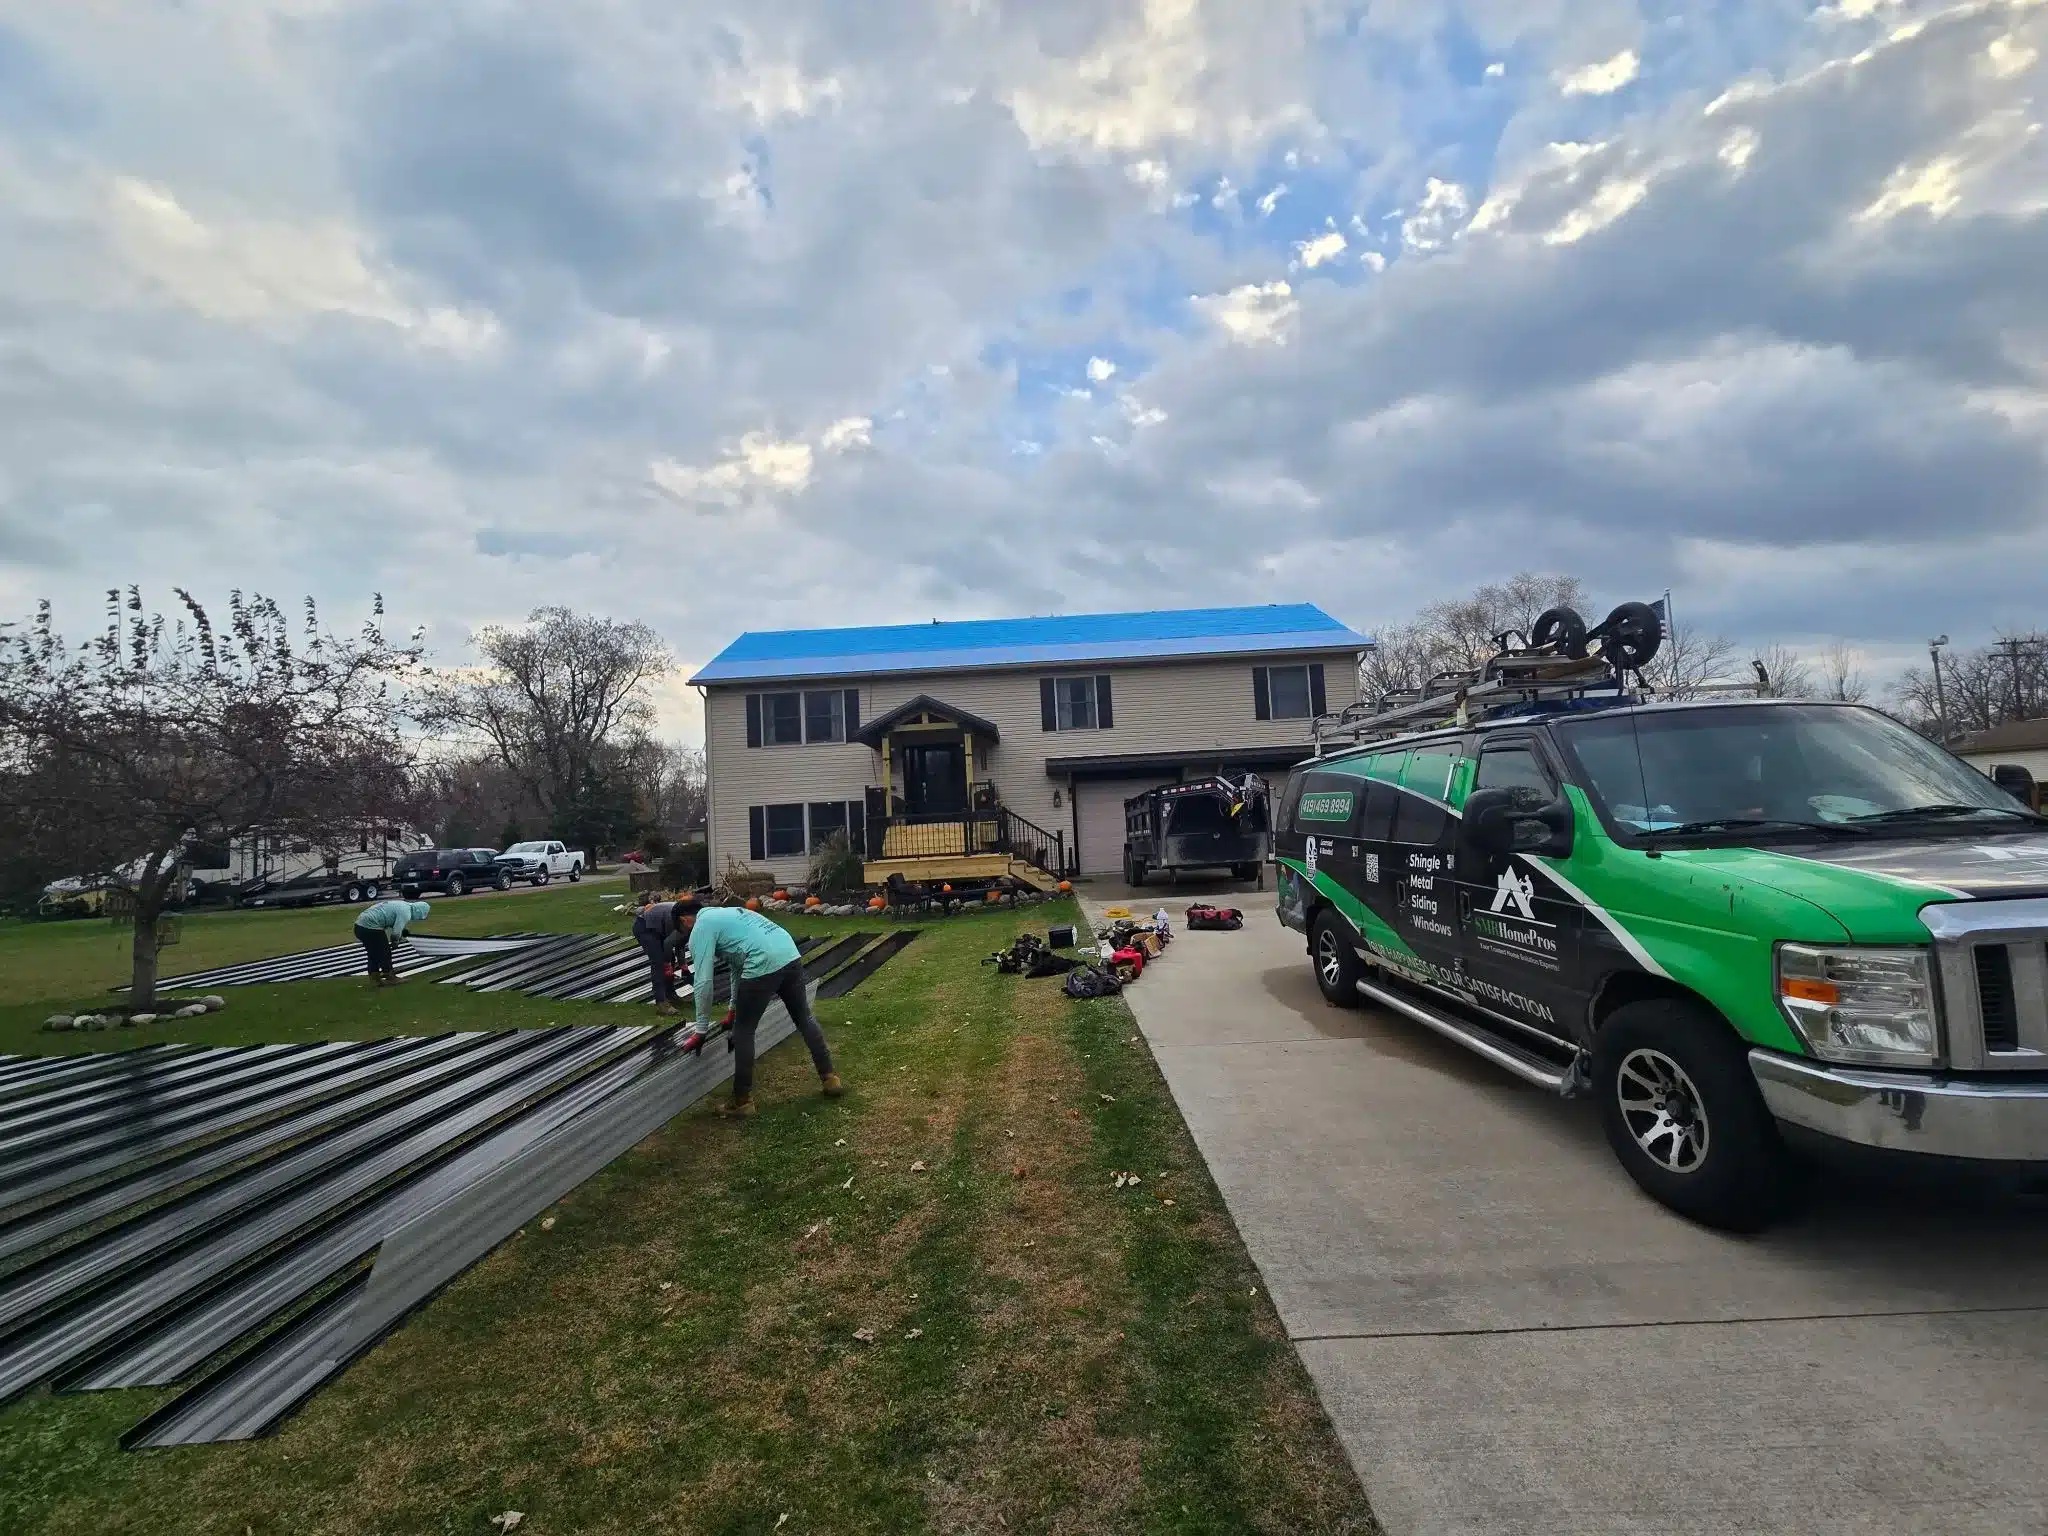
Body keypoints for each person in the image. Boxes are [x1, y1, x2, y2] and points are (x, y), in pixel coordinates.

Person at [677, 895, 843, 1117]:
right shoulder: (729, 915)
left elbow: (703, 982)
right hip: (789, 953)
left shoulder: (701, 927)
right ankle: (830, 1078)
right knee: (804, 1018)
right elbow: (737, 967)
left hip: (763, 961)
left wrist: (701, 1030)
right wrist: (733, 1009)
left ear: (684, 920)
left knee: (744, 1031)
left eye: (682, 930)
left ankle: (742, 1101)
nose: (686, 935)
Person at [632, 895, 691, 1016]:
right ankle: (661, 1002)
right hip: (645, 927)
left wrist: (683, 966)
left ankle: (671, 995)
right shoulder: (685, 920)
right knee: (658, 962)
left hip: (659, 928)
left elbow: (679, 944)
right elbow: (669, 943)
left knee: (670, 958)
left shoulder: (692, 923)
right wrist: (667, 964)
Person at [354, 899, 431, 986]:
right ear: (419, 911)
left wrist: (402, 931)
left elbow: (389, 918)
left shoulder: (403, 905)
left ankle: (375, 979)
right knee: (385, 952)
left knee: (373, 953)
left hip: (359, 926)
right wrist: (395, 942)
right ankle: (390, 977)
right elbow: (395, 933)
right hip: (370, 927)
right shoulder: (406, 912)